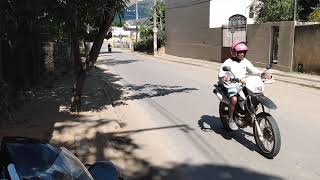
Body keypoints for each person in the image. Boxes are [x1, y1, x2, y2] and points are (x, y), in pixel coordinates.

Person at [218, 42, 269, 130]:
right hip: (232, 84)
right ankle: (230, 119)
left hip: (243, 83)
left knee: (255, 95)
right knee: (234, 99)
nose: (242, 54)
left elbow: (253, 70)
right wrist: (225, 77)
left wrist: (262, 74)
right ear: (234, 52)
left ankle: (249, 114)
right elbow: (221, 73)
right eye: (240, 52)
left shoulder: (245, 61)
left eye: (243, 52)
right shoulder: (228, 62)